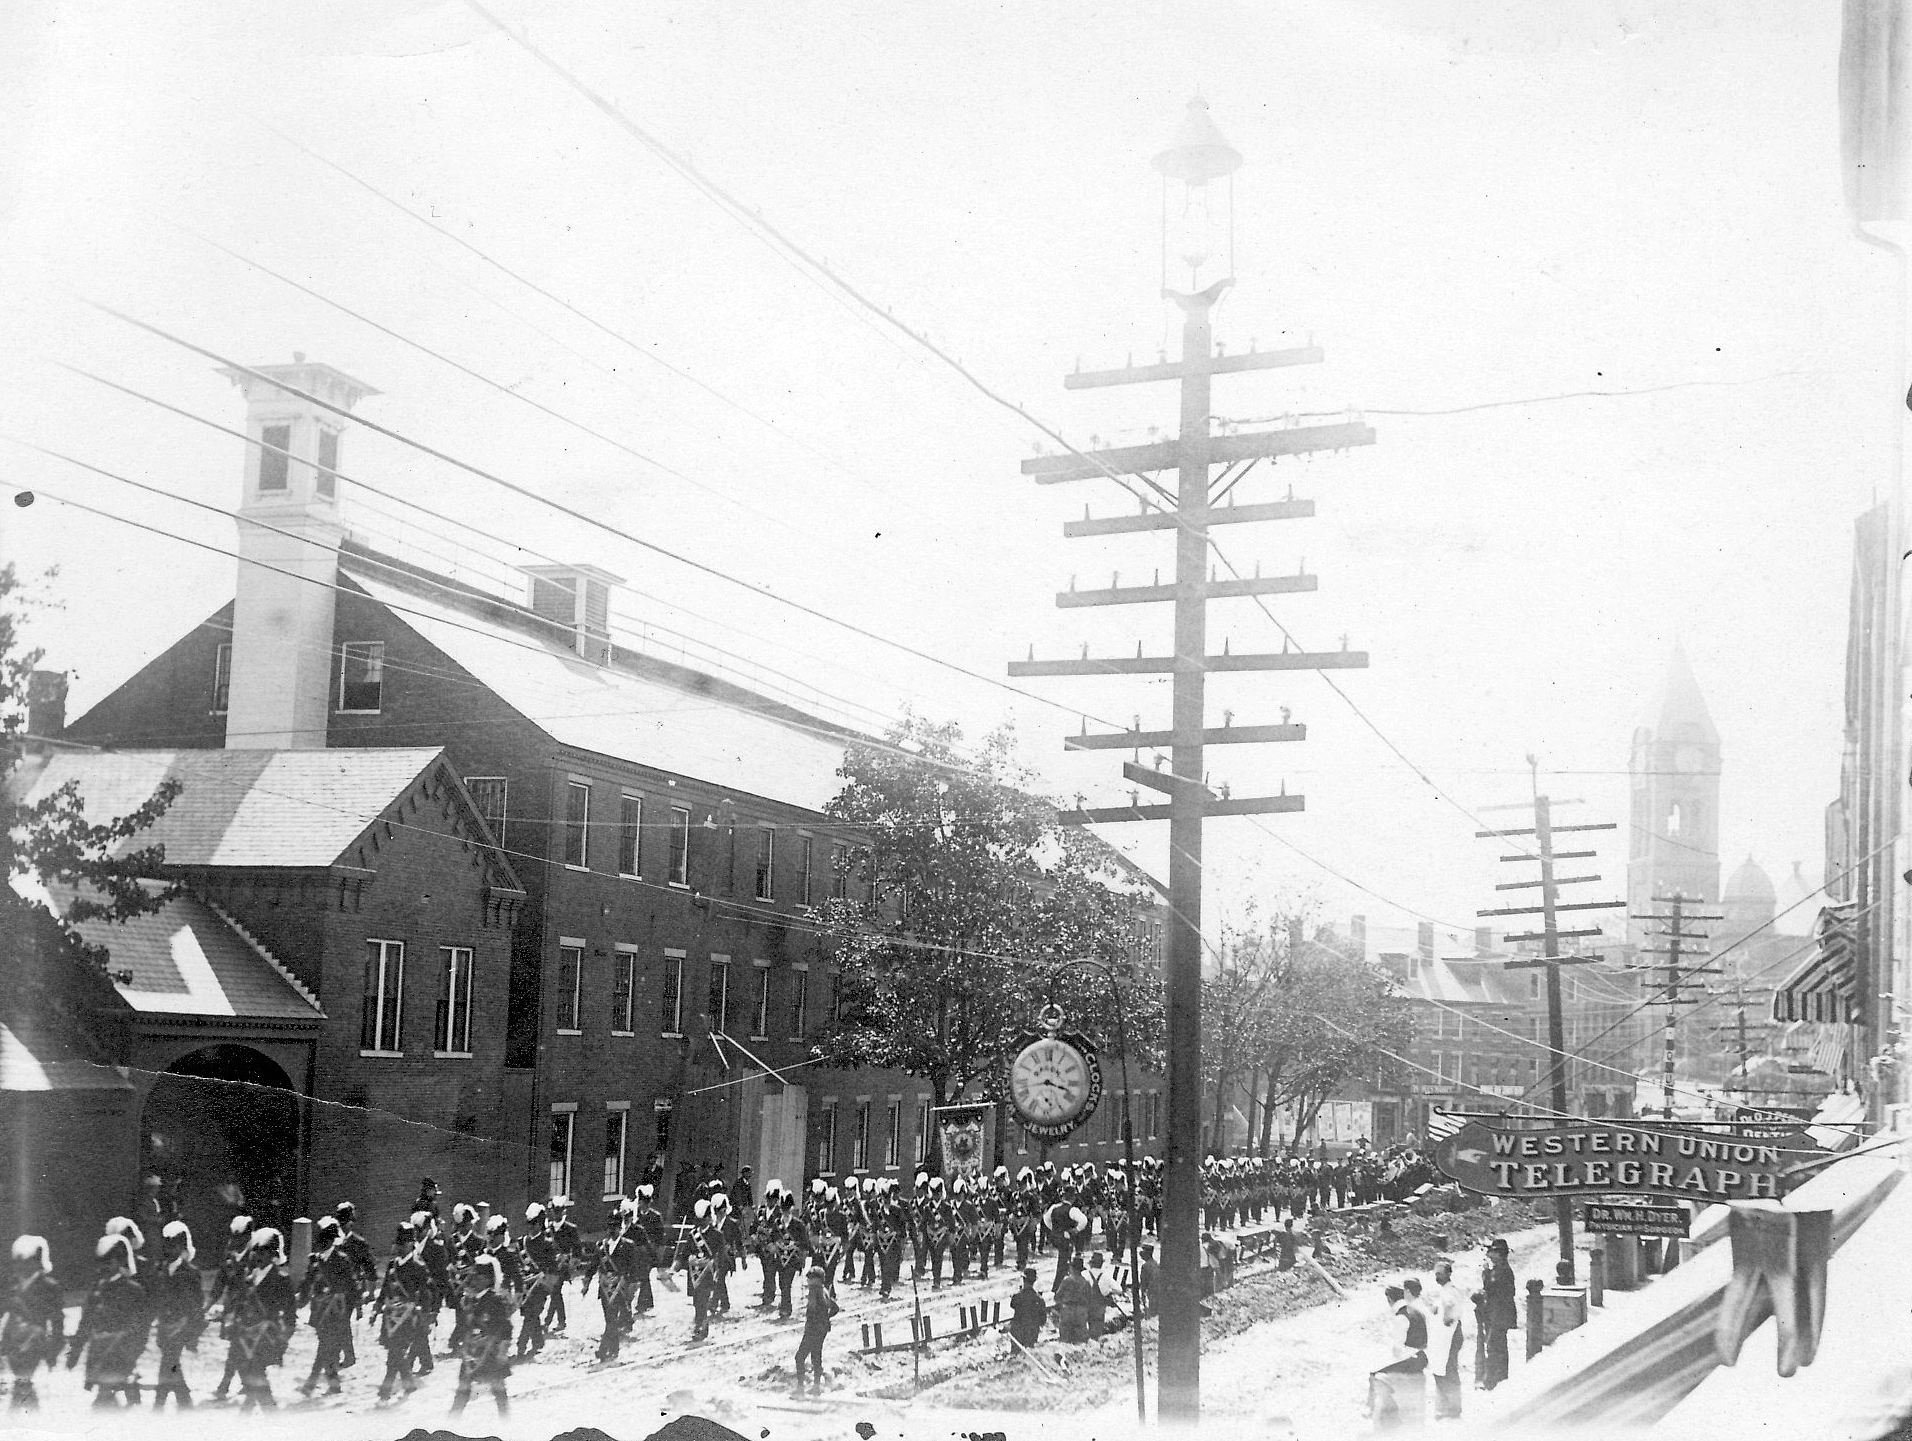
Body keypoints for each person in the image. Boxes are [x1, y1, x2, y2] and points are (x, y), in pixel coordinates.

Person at [67, 1233, 148, 1407]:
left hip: (120, 1350)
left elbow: (140, 1325)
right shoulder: (97, 1289)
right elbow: (86, 1321)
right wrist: (76, 1350)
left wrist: (134, 1350)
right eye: (102, 1263)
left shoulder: (133, 1290)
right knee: (107, 1395)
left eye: (109, 1263)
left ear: (119, 1262)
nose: (104, 1267)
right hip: (99, 1349)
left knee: (106, 1397)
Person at [222, 1228, 297, 1410]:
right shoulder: (249, 1278)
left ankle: (264, 1416)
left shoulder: (281, 1280)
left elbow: (289, 1313)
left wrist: (284, 1338)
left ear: (273, 1254)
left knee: (256, 1376)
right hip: (244, 1337)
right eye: (256, 1251)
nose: (258, 1255)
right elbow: (240, 1303)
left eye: (263, 1251)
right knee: (250, 1378)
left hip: (265, 1337)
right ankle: (259, 1414)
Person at [297, 1215, 358, 1397]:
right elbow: (307, 1284)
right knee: (325, 1346)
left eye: (324, 1240)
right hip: (318, 1310)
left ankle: (314, 1382)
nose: (320, 1244)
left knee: (325, 1346)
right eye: (319, 1240)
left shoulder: (341, 1260)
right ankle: (331, 1384)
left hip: (335, 1311)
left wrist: (348, 1312)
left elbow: (351, 1288)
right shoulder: (314, 1260)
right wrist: (300, 1302)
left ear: (332, 1241)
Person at [3, 1236, 64, 1411]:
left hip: (34, 1342)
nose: (20, 1267)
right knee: (20, 1381)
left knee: (23, 1381)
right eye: (17, 1262)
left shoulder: (49, 1287)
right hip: (12, 1342)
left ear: (38, 1262)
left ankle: (24, 1418)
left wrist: (54, 1349)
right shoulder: (12, 1286)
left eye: (26, 1262)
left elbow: (57, 1321)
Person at [374, 1221, 433, 1403]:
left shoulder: (418, 1265)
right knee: (395, 1351)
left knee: (395, 1352)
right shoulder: (393, 1264)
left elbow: (426, 1292)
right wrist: (377, 1306)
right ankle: (408, 1383)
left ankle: (385, 1390)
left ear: (410, 1244)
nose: (398, 1247)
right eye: (397, 1243)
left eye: (402, 1244)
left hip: (408, 1316)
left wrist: (427, 1314)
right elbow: (385, 1288)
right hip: (391, 1316)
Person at [150, 1221, 206, 1410]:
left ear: (182, 1247)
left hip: (182, 1326)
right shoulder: (160, 1270)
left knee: (168, 1362)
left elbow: (197, 1304)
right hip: (164, 1325)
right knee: (171, 1363)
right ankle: (184, 1401)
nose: (169, 1249)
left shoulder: (191, 1273)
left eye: (173, 1245)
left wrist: (193, 1334)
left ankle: (159, 1405)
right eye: (166, 1245)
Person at [449, 1254, 513, 1420]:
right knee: (462, 1389)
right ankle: (449, 1425)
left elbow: (506, 1328)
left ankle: (507, 1425)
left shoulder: (495, 1300)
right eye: (473, 1277)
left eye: (478, 1277)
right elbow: (465, 1326)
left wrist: (502, 1352)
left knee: (499, 1390)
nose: (473, 1281)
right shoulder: (471, 1300)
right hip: (471, 1352)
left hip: (490, 1352)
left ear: (487, 1280)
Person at [1477, 1238, 1518, 1390]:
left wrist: (1486, 1273)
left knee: (1494, 1346)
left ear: (1500, 1254)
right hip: (1498, 1313)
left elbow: (1492, 1288)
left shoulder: (1501, 1270)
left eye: (1493, 1252)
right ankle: (1497, 1378)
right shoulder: (1501, 1269)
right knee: (1497, 1345)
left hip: (1499, 1314)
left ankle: (1493, 1380)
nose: (1490, 1255)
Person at [791, 1265, 838, 1396]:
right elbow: (835, 1308)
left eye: (810, 1278)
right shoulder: (825, 1290)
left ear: (816, 1279)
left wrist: (811, 1322)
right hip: (823, 1328)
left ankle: (800, 1388)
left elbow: (811, 1309)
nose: (808, 1281)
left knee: (799, 1357)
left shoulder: (814, 1291)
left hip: (813, 1328)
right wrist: (825, 1317)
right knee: (816, 1357)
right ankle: (816, 1387)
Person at [1430, 1260, 1468, 1419]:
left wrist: (1445, 1315)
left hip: (1451, 1335)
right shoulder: (1443, 1291)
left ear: (1448, 1273)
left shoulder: (1450, 1291)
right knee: (1443, 1368)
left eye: (1440, 1273)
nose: (1437, 1277)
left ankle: (1453, 1407)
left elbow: (1449, 1312)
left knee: (1449, 1369)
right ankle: (1447, 1405)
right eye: (1436, 1274)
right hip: (1444, 1336)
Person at [1053, 1258, 1093, 1344]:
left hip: (1067, 1310)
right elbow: (1090, 1299)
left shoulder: (1066, 1280)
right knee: (1080, 1339)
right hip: (1081, 1312)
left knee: (1065, 1338)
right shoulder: (1086, 1282)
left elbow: (1057, 1296)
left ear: (1072, 1268)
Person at [1007, 1268, 1047, 1353]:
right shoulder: (1039, 1299)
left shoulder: (1017, 1296)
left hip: (1018, 1330)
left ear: (1024, 1280)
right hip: (1032, 1331)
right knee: (1028, 1354)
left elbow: (1012, 1305)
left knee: (1015, 1355)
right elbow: (1043, 1320)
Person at [1136, 1243, 1159, 1317]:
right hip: (1156, 1291)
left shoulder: (1145, 1266)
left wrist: (1142, 1294)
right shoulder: (1155, 1264)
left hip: (1152, 1291)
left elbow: (1144, 1283)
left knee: (1152, 1312)